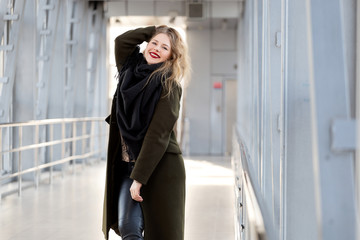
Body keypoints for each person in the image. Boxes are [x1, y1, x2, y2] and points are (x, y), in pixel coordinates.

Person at [102, 25, 190, 240]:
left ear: (171, 56)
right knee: (128, 228)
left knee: (160, 234)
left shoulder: (169, 86)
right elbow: (121, 42)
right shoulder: (129, 71)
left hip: (160, 169)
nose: (157, 49)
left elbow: (157, 136)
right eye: (154, 43)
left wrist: (139, 179)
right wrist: (155, 30)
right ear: (145, 45)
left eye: (164, 47)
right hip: (127, 166)